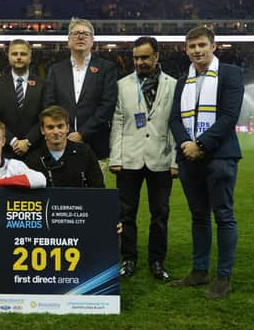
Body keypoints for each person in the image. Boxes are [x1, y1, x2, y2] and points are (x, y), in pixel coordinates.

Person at [169, 26, 244, 299]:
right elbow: (175, 119)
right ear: (186, 50)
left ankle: (223, 277)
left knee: (223, 216)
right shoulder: (182, 81)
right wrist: (186, 146)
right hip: (189, 159)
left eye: (202, 45)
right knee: (198, 217)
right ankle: (199, 271)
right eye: (192, 47)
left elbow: (229, 116)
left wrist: (200, 144)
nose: (197, 51)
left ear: (214, 46)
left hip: (220, 156)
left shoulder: (231, 74)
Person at [109, 37, 178, 281]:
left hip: (161, 158)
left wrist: (175, 161)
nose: (139, 62)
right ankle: (128, 259)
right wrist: (115, 157)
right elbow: (117, 122)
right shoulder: (122, 85)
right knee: (126, 214)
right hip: (129, 158)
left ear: (157, 56)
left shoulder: (173, 85)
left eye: (145, 57)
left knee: (160, 214)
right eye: (136, 58)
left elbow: (175, 125)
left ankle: (157, 261)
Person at [44, 18, 117, 168]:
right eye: (76, 33)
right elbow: (50, 104)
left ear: (92, 40)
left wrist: (82, 133)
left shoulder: (106, 68)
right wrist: (67, 132)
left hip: (95, 145)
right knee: (66, 191)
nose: (81, 36)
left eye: (86, 33)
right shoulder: (55, 70)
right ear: (68, 40)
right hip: (61, 143)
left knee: (94, 191)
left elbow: (107, 105)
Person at [0, 39, 45, 160]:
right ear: (8, 56)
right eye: (14, 54)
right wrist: (12, 141)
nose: (18, 57)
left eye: (23, 54)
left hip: (34, 151)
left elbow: (45, 117)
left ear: (30, 57)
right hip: (4, 151)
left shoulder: (43, 85)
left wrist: (28, 141)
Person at [26, 106, 104, 188]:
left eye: (60, 126)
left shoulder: (85, 153)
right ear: (42, 130)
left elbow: (98, 188)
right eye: (50, 127)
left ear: (67, 128)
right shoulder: (33, 159)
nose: (56, 132)